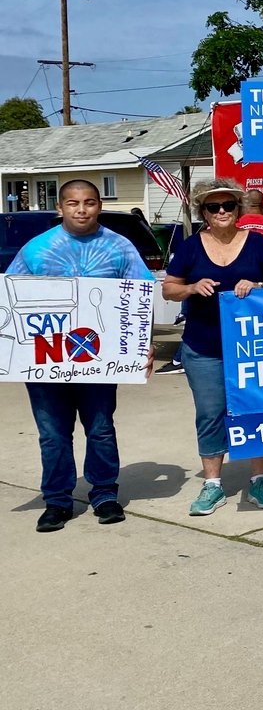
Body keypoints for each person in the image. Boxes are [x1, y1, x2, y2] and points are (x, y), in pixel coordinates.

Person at [8, 179, 154, 532]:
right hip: (46, 361)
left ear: (99, 206)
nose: (81, 209)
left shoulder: (120, 248)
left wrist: (142, 344)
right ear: (60, 208)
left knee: (101, 429)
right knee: (53, 433)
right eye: (73, 203)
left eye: (89, 202)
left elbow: (140, 298)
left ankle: (104, 493)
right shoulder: (36, 249)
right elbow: (10, 302)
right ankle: (57, 500)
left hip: (98, 360)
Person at [162, 179, 263, 515]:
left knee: (257, 410)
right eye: (213, 207)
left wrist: (259, 284)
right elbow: (168, 289)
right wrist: (191, 288)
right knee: (210, 413)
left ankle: (258, 480)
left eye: (228, 206)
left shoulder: (258, 243)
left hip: (254, 347)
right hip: (203, 347)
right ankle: (213, 484)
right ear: (202, 211)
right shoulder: (190, 247)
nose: (221, 212)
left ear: (238, 208)